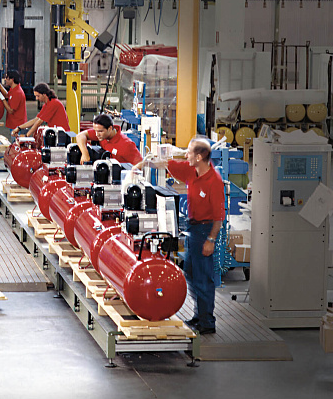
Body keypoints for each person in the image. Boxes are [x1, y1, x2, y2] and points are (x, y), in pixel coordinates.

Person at [142, 137, 224, 334]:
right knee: (191, 274)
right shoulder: (190, 170)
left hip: (205, 231)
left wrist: (211, 240)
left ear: (199, 157)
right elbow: (164, 164)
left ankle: (207, 322)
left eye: (188, 152)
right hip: (192, 228)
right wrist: (147, 161)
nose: (185, 155)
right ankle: (199, 316)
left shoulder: (214, 182)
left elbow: (219, 217)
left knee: (203, 278)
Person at [76, 113, 142, 165]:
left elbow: (141, 165)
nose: (96, 134)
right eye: (95, 131)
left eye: (100, 131)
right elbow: (80, 136)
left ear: (110, 128)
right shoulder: (102, 135)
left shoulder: (127, 145)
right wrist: (85, 154)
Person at [0, 70, 27, 136]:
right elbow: (7, 95)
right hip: (14, 123)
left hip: (17, 126)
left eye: (7, 78)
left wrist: (2, 99)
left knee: (16, 142)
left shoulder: (17, 93)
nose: (5, 79)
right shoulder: (14, 89)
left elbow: (10, 110)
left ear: (12, 79)